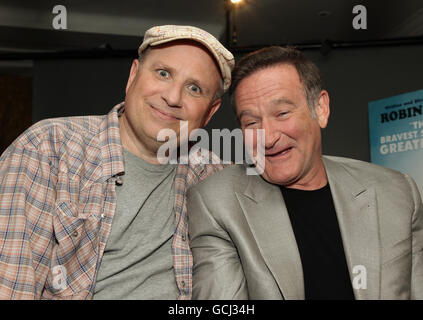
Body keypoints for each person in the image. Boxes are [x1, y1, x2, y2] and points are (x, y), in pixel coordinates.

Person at [0, 25, 234, 299]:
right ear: (133, 75)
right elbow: (11, 287)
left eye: (194, 88)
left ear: (210, 113)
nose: (172, 97)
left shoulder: (215, 176)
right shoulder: (48, 150)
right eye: (163, 73)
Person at [187, 46, 423, 300]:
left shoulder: (395, 191)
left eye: (282, 113)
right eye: (252, 123)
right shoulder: (217, 203)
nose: (269, 138)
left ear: (320, 109)